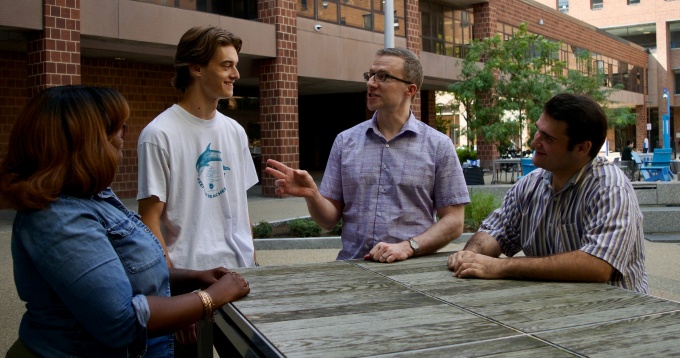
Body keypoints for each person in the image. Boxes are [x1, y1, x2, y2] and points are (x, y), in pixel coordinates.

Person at [0, 86, 250, 357]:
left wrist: (190, 277)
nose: (122, 138)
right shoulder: (58, 218)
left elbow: (121, 271)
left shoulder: (94, 197)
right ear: (83, 141)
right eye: (115, 129)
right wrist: (210, 298)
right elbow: (121, 321)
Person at [266, 47, 469, 262]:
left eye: (383, 76)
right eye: (370, 75)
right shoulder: (345, 141)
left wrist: (409, 247)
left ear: (409, 90)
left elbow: (454, 222)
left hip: (413, 270)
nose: (371, 83)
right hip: (353, 270)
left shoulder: (438, 146)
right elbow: (328, 221)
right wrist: (312, 195)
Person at [447, 93, 648, 293]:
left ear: (581, 148)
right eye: (538, 131)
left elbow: (597, 265)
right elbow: (495, 232)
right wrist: (471, 256)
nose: (534, 143)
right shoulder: (530, 185)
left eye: (548, 138)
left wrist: (498, 267)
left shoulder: (610, 189)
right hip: (551, 309)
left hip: (614, 314)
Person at [137, 26, 258, 355]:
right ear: (196, 67)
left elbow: (240, 208)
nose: (236, 73)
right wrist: (172, 295)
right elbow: (150, 220)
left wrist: (254, 265)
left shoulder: (234, 131)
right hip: (190, 284)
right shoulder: (159, 134)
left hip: (240, 278)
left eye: (236, 64)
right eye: (226, 65)